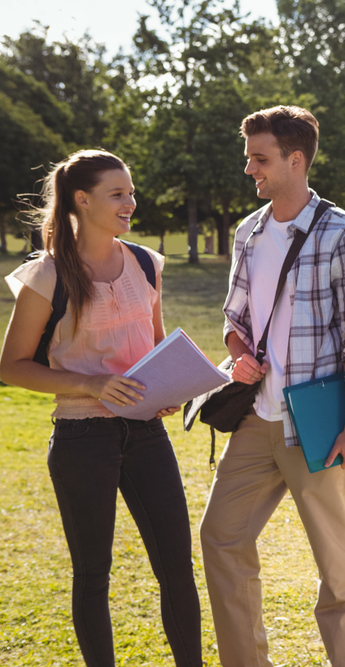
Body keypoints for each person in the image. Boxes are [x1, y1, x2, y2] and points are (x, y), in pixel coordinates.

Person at [0, 150, 202, 666]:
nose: (130, 203)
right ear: (82, 200)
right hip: (81, 439)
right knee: (93, 573)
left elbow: (156, 347)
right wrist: (92, 384)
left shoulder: (145, 263)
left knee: (177, 566)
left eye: (131, 192)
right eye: (118, 194)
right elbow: (13, 365)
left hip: (146, 436)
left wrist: (168, 386)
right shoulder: (46, 275)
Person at [198, 105, 345, 667]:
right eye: (249, 156)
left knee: (339, 566)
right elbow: (235, 316)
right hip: (256, 417)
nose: (249, 168)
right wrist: (238, 353)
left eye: (260, 158)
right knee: (220, 536)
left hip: (317, 424)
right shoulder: (247, 232)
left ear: (295, 160)